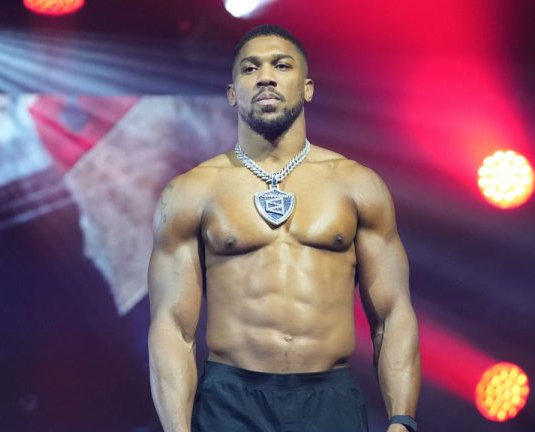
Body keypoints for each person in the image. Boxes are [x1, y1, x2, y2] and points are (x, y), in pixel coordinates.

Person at [148, 24, 420, 432]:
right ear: (232, 92)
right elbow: (172, 326)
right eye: (249, 68)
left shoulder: (357, 184)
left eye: (281, 64)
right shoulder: (192, 191)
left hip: (330, 400)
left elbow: (392, 312)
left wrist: (402, 421)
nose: (266, 76)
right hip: (230, 402)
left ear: (307, 87)